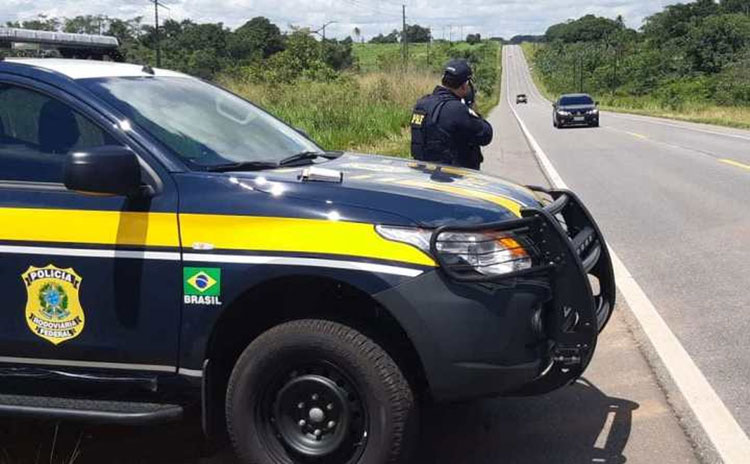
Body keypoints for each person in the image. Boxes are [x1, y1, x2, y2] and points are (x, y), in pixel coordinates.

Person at [410, 59, 493, 169]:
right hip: (455, 179)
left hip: (424, 177)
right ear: (464, 85)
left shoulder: (421, 104)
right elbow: (486, 135)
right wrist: (471, 106)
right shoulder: (457, 110)